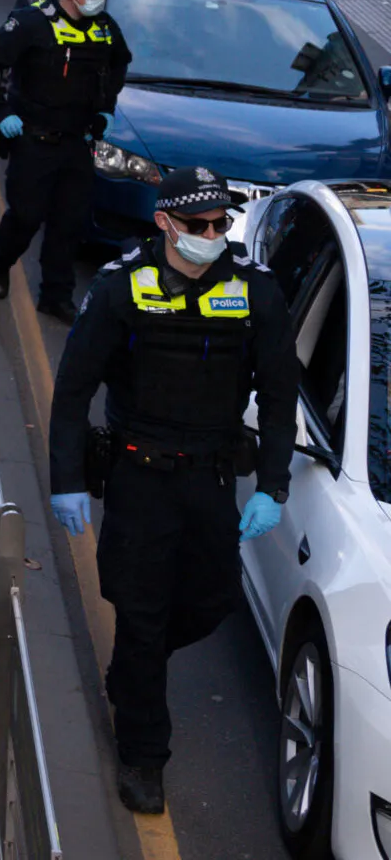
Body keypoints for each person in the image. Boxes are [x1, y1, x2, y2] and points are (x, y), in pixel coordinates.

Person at [46, 167, 298, 814]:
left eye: (221, 224)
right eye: (198, 225)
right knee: (141, 611)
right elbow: (74, 390)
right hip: (139, 477)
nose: (212, 235)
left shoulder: (256, 294)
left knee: (208, 606)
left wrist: (273, 485)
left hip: (211, 478)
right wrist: (67, 480)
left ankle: (133, 671)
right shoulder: (121, 289)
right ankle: (144, 755)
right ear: (164, 223)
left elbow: (277, 396)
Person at [0, 0, 129, 321]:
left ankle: (56, 296)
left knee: (69, 222)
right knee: (26, 215)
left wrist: (106, 107)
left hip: (78, 142)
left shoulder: (105, 28)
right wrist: (1, 113)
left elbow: (119, 63)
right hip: (34, 139)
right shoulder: (30, 24)